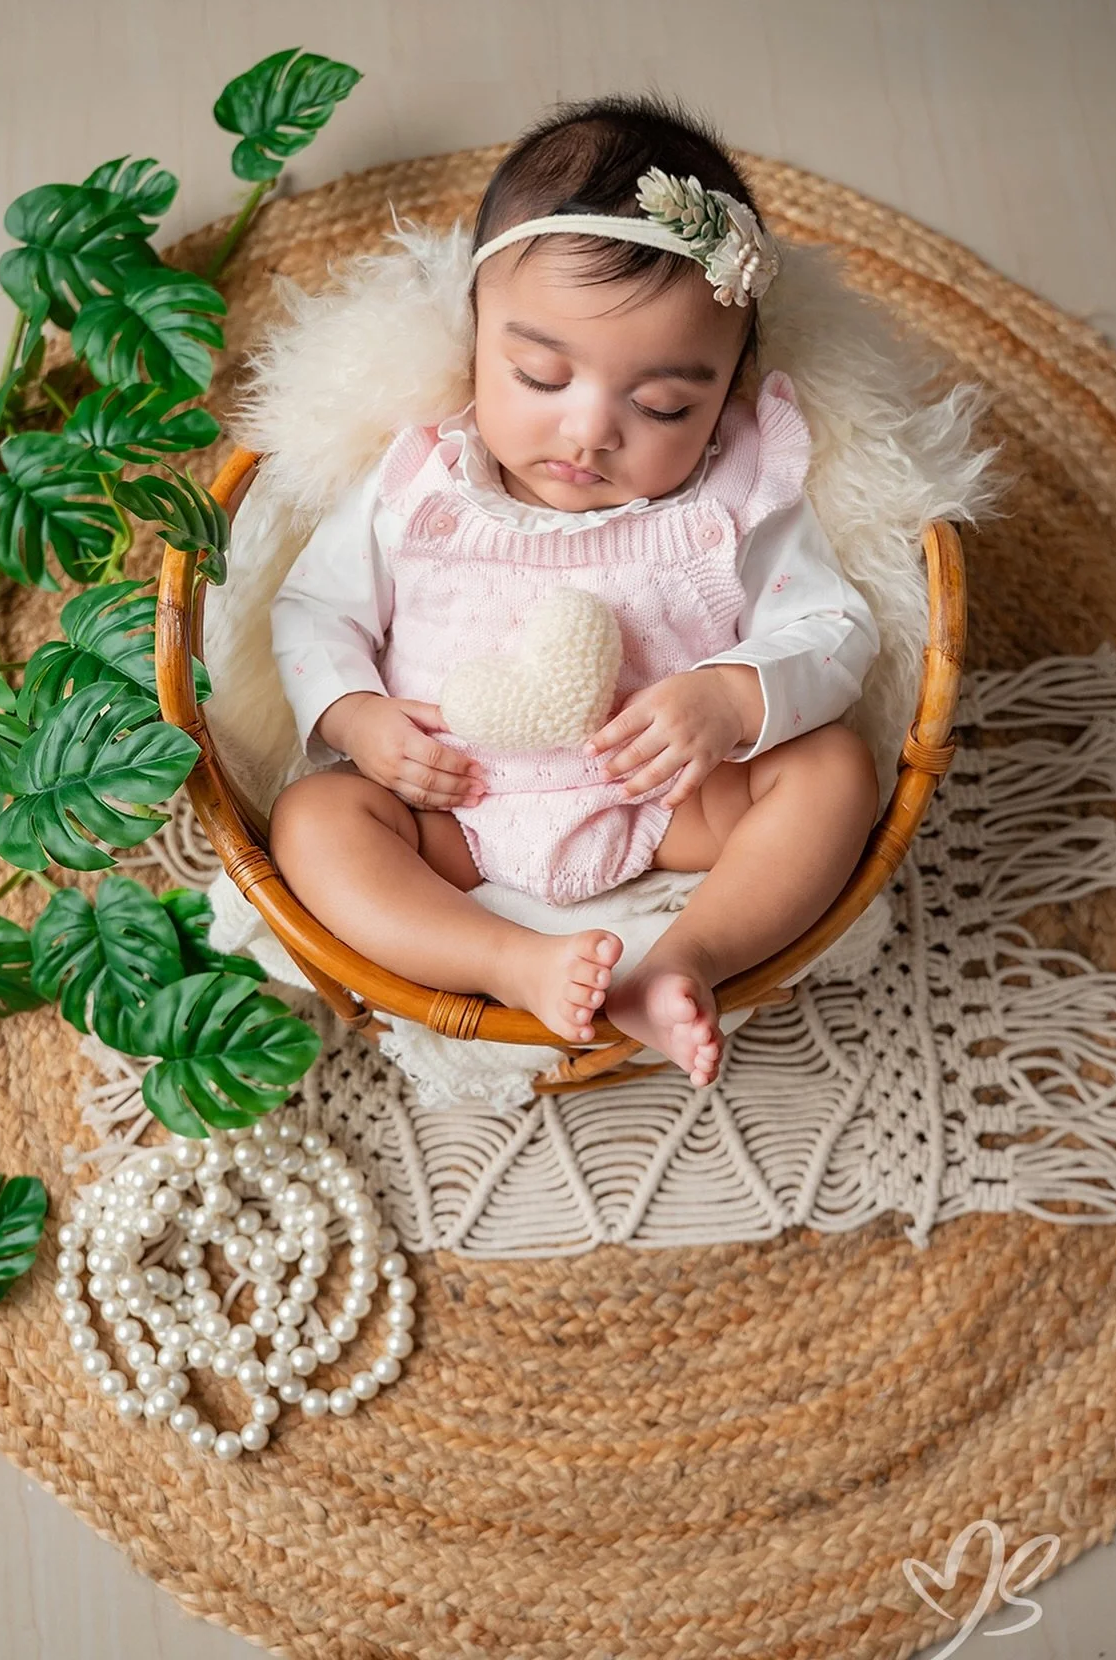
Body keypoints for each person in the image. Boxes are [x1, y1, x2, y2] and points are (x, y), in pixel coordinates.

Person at [266, 93, 882, 1089]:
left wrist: (734, 694)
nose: (590, 431)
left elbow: (834, 627)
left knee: (835, 773)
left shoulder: (735, 494)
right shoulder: (423, 484)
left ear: (727, 389)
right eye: (540, 376)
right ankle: (508, 960)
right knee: (315, 826)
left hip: (670, 803)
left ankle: (689, 958)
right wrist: (358, 717)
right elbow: (310, 610)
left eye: (661, 404)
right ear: (475, 335)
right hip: (454, 811)